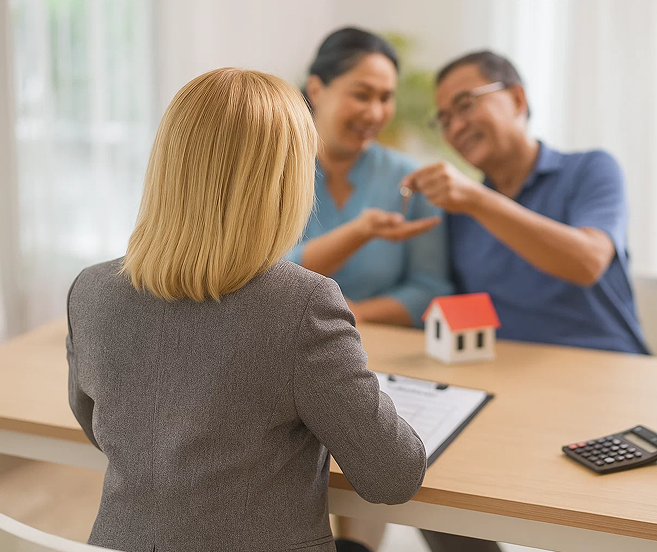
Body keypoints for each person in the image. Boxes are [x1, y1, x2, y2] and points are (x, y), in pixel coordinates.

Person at [66, 68, 426, 552]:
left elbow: (99, 427)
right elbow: (392, 477)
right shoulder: (305, 305)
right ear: (285, 182)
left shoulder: (90, 291)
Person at [407, 50, 650, 552]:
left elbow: (586, 260)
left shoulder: (591, 170)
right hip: (509, 397)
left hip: (608, 389)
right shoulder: (457, 213)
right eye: (444, 118)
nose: (454, 127)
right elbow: (441, 305)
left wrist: (476, 199)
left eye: (466, 104)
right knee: (419, 479)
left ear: (517, 98)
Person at [288, 28, 452, 327]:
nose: (375, 113)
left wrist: (355, 315)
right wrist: (359, 232)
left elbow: (430, 289)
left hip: (382, 356)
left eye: (386, 98)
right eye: (361, 95)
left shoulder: (410, 178)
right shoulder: (274, 173)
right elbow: (263, 276)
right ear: (315, 89)